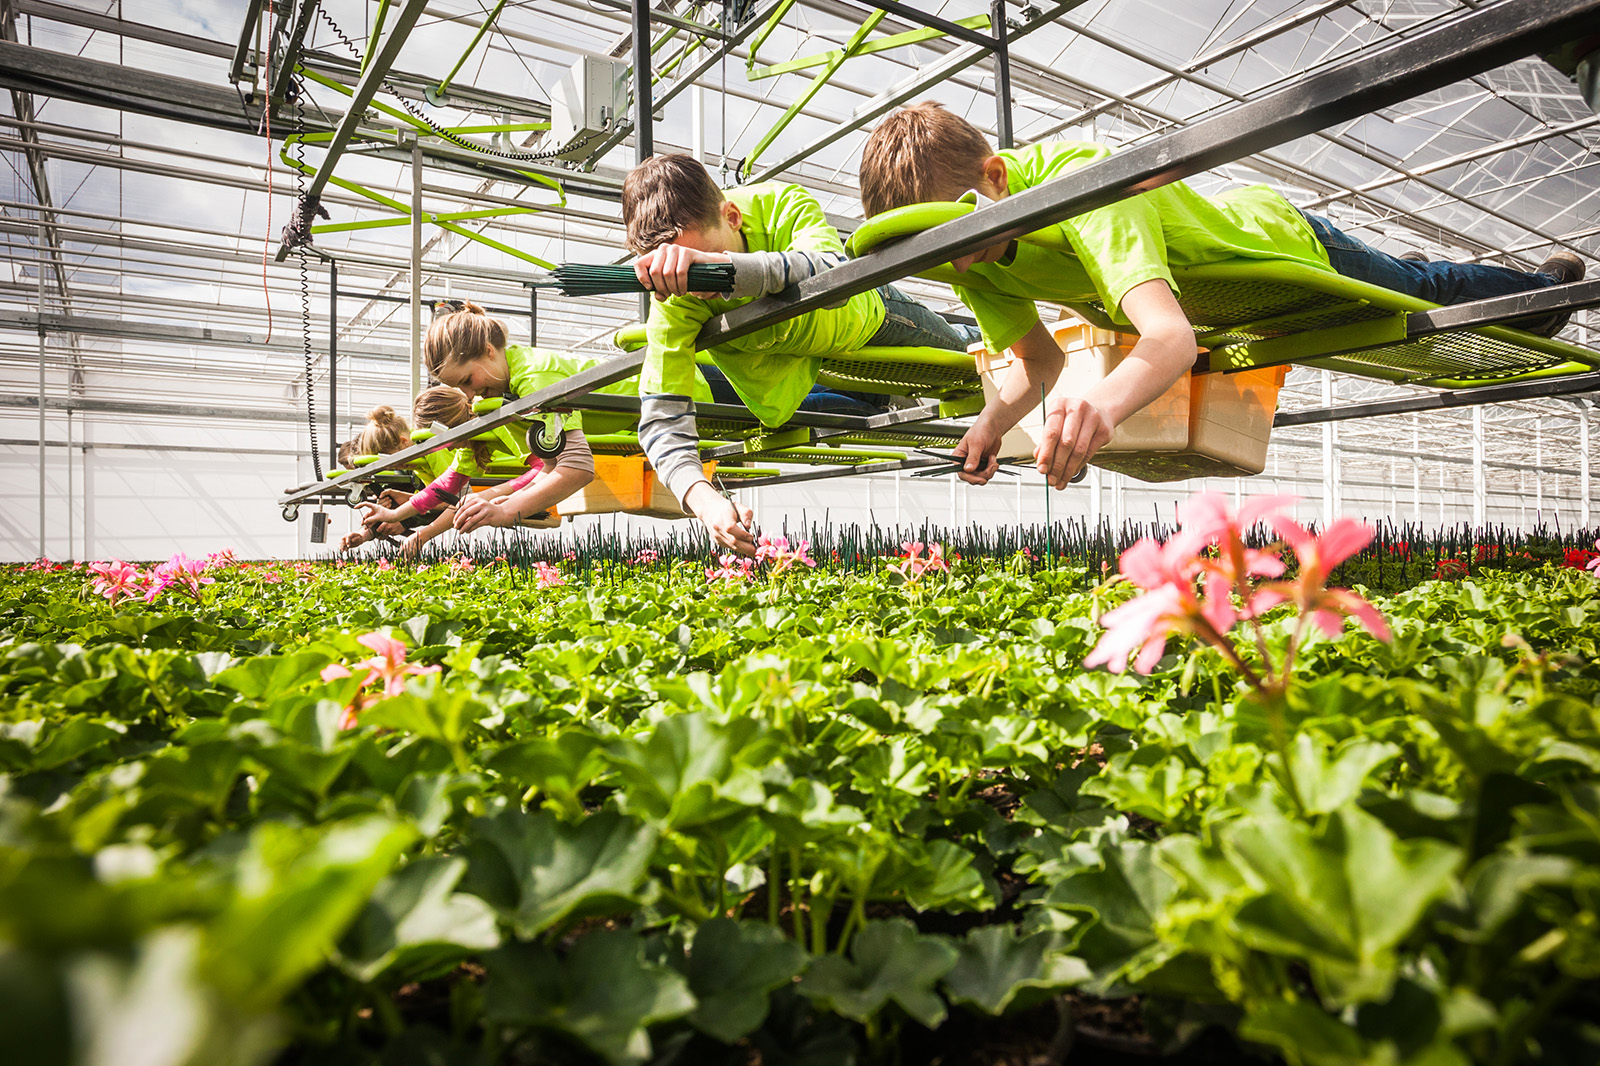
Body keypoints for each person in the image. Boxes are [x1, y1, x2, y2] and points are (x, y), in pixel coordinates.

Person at [856, 101, 1587, 491]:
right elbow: (1037, 361)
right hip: (1232, 296)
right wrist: (990, 422)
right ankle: (1438, 269)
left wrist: (1102, 407)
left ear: (997, 178)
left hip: (1275, 245)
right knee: (1405, 281)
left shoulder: (1085, 187)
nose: (958, 264)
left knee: (1421, 293)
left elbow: (1170, 339)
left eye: (959, 236)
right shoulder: (974, 260)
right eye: (935, 256)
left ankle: (1543, 289)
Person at [624, 153, 980, 556]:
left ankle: (1011, 334)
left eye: (698, 269)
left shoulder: (779, 203)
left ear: (733, 216)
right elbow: (662, 420)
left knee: (963, 350)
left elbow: (831, 272)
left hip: (866, 317)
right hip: (805, 358)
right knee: (875, 393)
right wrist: (705, 504)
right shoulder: (675, 296)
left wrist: (726, 271)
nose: (692, 285)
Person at [357, 384, 564, 552]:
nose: (445, 450)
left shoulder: (499, 425)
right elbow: (443, 488)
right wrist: (394, 514)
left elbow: (548, 466)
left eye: (440, 442)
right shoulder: (468, 442)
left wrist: (493, 496)